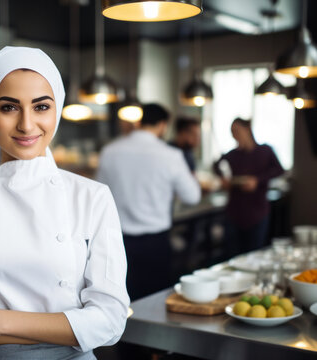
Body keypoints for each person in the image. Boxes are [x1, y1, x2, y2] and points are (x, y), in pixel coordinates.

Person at [0, 46, 129, 360]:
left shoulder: (92, 197)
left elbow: (110, 321)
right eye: (8, 108)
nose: (27, 124)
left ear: (56, 109)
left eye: (41, 107)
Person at [97, 104, 201, 301]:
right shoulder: (170, 155)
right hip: (155, 242)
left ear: (140, 121)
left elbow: (99, 193)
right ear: (163, 125)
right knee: (154, 301)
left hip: (118, 241)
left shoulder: (110, 151)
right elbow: (192, 196)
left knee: (120, 301)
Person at [214, 118, 284, 258]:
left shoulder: (265, 150)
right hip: (234, 212)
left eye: (237, 131)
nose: (235, 135)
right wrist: (224, 179)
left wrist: (257, 180)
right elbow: (216, 165)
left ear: (247, 129)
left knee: (253, 255)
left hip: (257, 211)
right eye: (232, 132)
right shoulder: (233, 154)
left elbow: (279, 170)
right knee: (232, 255)